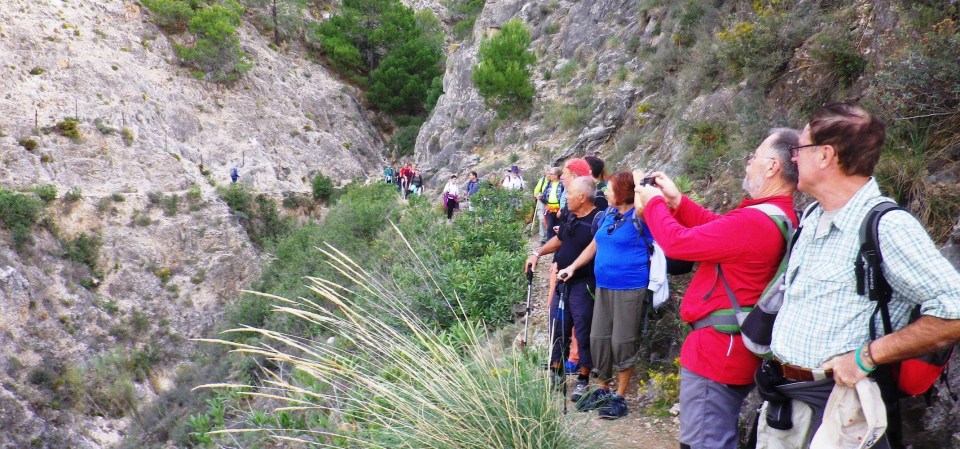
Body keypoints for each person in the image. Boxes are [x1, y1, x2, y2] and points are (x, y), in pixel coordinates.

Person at [758, 103, 960, 448]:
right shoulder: (811, 217)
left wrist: (867, 356)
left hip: (841, 410)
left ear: (824, 155)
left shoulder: (887, 226)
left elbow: (953, 309)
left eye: (799, 149)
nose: (793, 158)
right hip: (786, 403)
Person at [635, 129, 801, 448]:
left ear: (772, 167)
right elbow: (718, 230)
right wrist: (677, 202)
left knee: (704, 442)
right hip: (733, 348)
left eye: (753, 157)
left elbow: (677, 242)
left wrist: (654, 203)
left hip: (717, 354)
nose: (748, 164)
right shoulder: (777, 215)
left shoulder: (755, 221)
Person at [558, 171, 655, 420]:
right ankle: (602, 389)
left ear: (623, 192)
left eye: (610, 189)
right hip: (603, 286)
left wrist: (640, 180)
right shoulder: (609, 214)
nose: (605, 193)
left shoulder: (640, 216)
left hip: (629, 289)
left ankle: (619, 397)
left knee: (622, 340)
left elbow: (646, 202)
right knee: (598, 337)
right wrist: (572, 267)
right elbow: (594, 245)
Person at [525, 176, 600, 402]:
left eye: (569, 194)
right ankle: (556, 374)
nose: (565, 197)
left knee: (583, 330)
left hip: (584, 283)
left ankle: (583, 380)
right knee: (558, 326)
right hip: (562, 282)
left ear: (582, 198)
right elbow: (560, 239)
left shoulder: (598, 220)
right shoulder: (569, 214)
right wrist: (537, 254)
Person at [540, 167, 563, 241]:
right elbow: (544, 195)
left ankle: (558, 243)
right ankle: (550, 242)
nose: (549, 175)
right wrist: (540, 197)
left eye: (551, 174)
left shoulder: (562, 184)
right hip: (549, 208)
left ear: (556, 176)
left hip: (559, 208)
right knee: (550, 226)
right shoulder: (549, 184)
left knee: (558, 226)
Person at [533, 169, 550, 243]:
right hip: (542, 201)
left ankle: (550, 237)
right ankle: (543, 238)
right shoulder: (542, 180)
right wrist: (537, 195)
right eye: (547, 174)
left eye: (550, 174)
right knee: (542, 219)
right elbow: (536, 190)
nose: (549, 175)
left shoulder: (555, 181)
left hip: (552, 203)